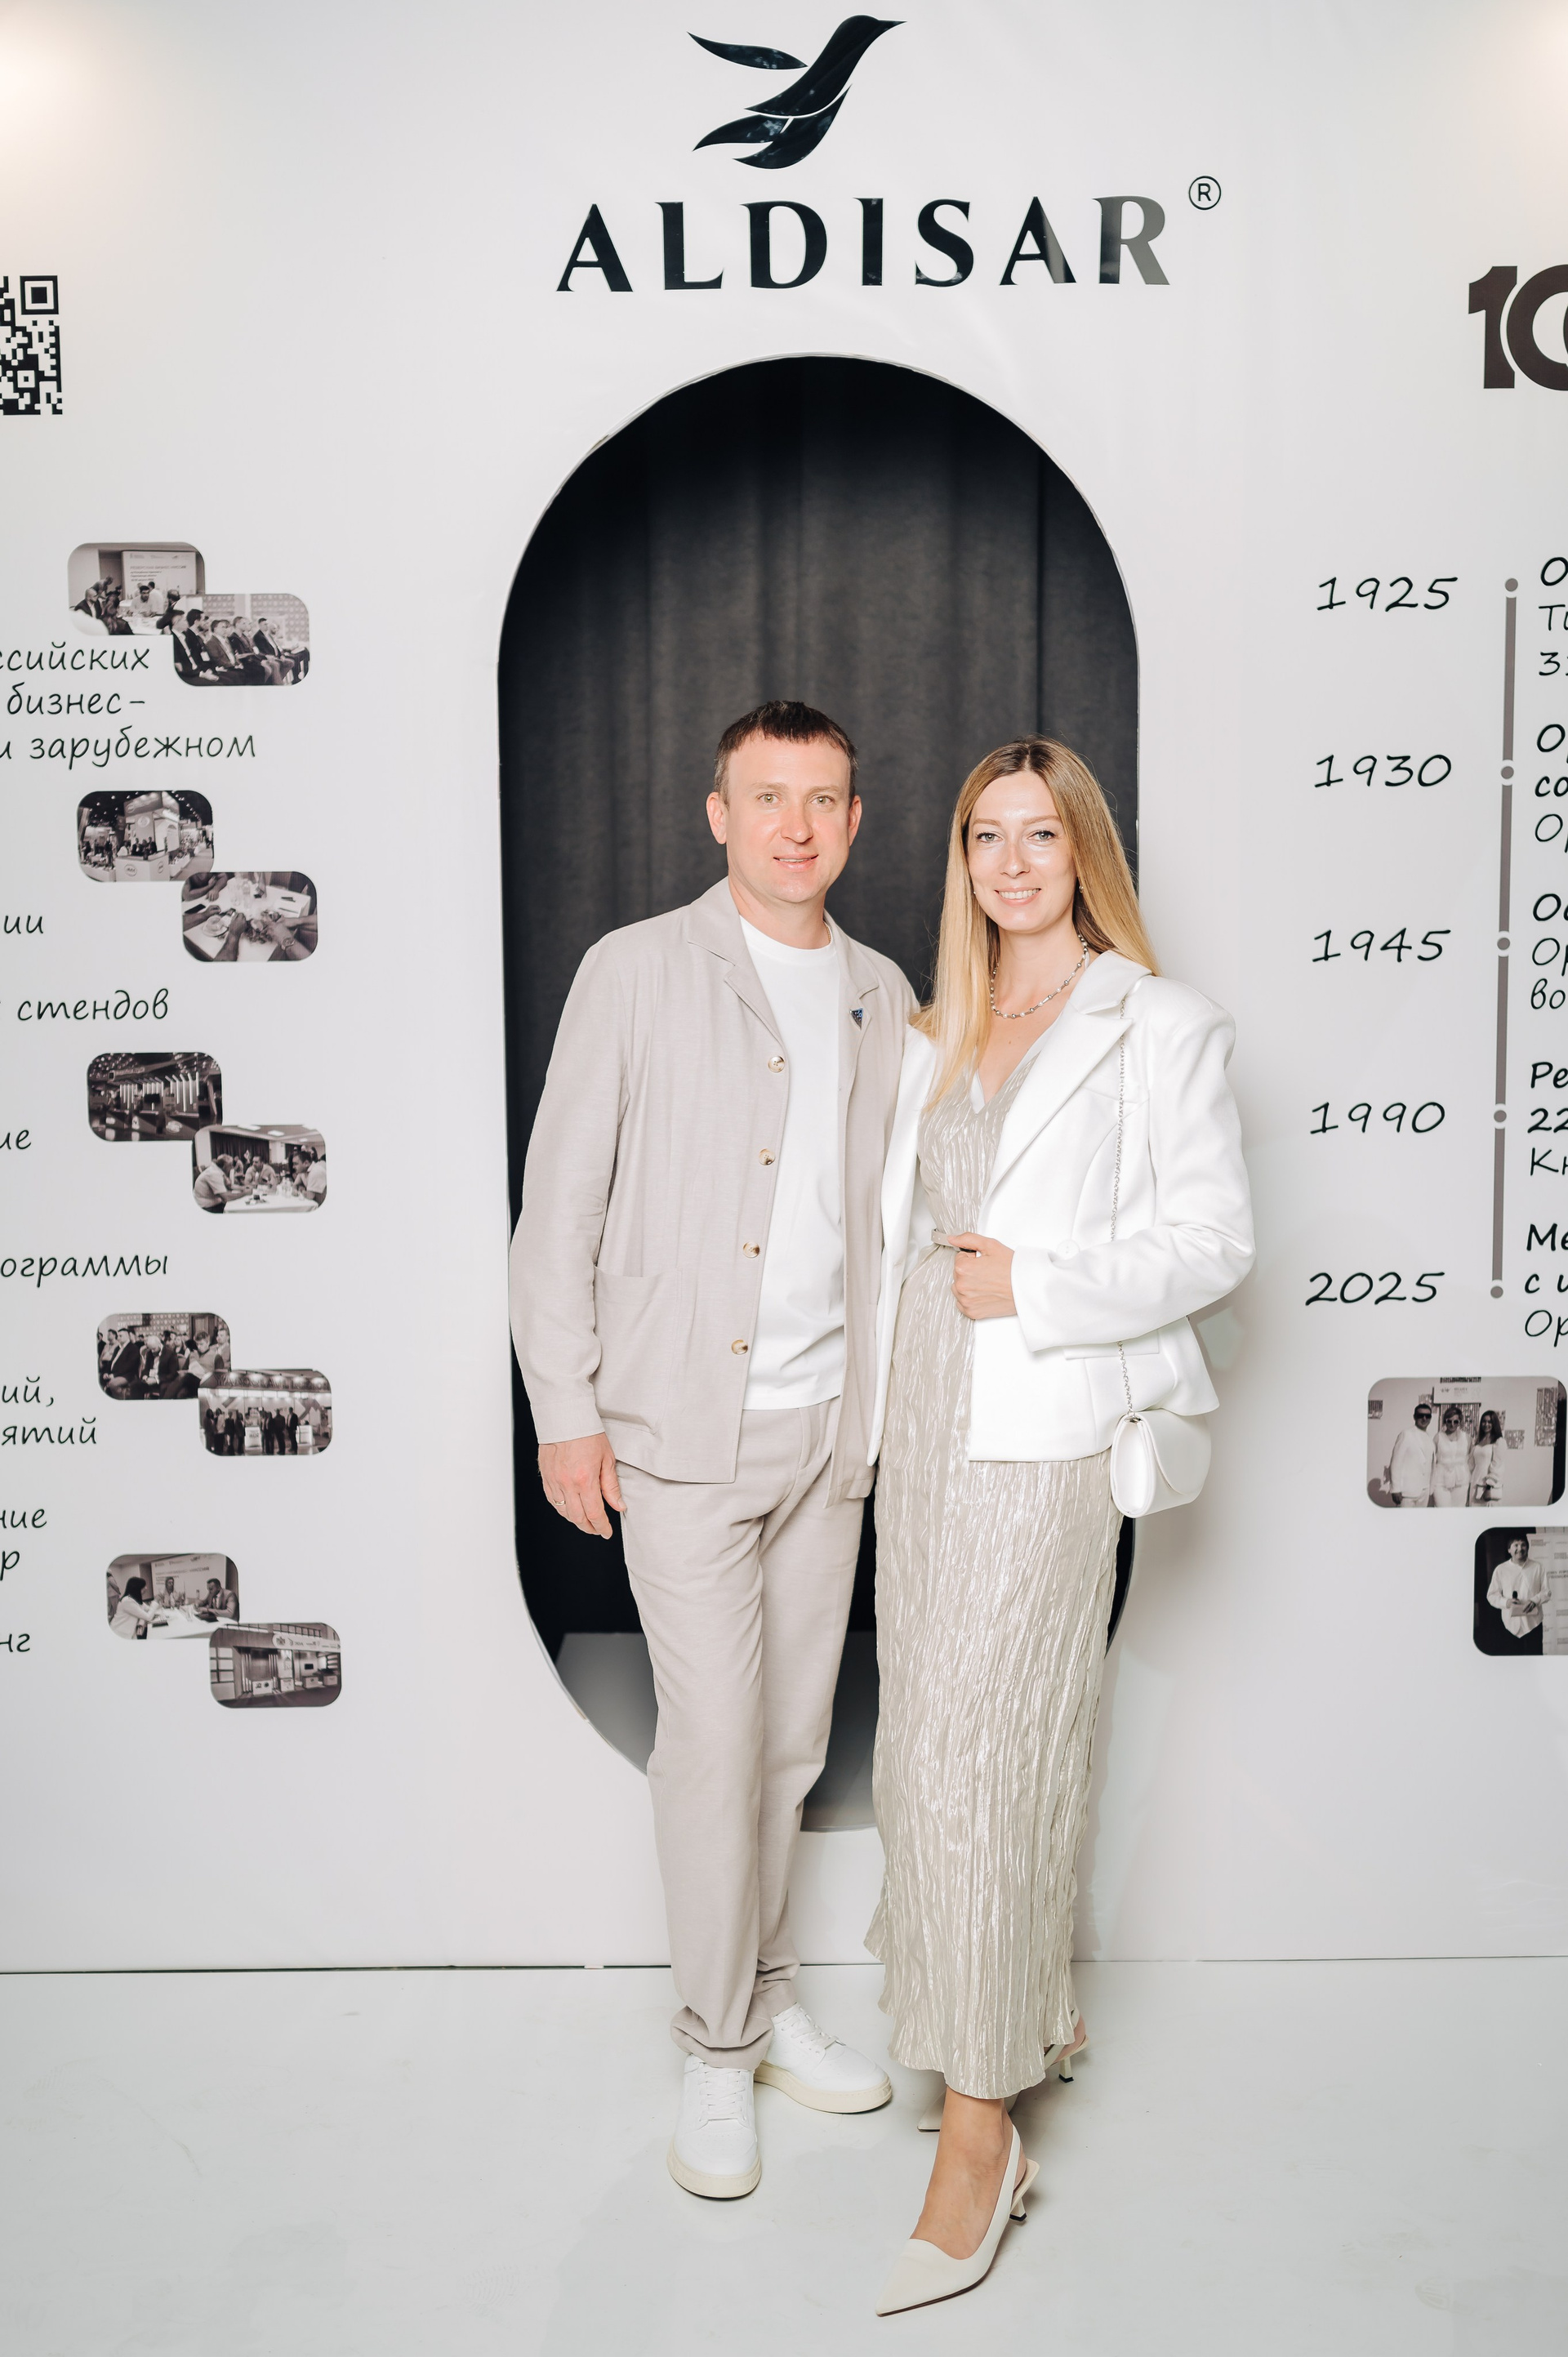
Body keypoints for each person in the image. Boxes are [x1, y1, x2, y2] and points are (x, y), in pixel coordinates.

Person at [866, 737, 1254, 2315]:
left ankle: (983, 2138)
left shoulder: (1160, 1025)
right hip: (924, 1430)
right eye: (987, 837)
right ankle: (1021, 2015)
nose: (1014, 864)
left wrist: (1038, 1285)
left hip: (1043, 1437)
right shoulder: (940, 1028)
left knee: (985, 1752)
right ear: (962, 860)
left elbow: (1215, 1240)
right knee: (937, 1747)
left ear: (1085, 849)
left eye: (1041, 834)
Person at [511, 700, 915, 2202]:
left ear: (854, 822)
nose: (795, 826)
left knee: (795, 1742)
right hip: (681, 1426)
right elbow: (559, 1206)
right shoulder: (634, 969)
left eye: (822, 800)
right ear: (717, 813)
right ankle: (715, 2043)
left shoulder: (881, 990)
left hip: (831, 1427)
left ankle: (771, 1992)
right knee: (714, 1743)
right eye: (767, 797)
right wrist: (566, 1407)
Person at [1487, 1534, 1547, 1642]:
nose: (1520, 1548)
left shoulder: (1538, 1567)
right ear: (1509, 1550)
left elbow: (1546, 1591)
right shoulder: (1501, 1569)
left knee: (1534, 1653)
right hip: (1509, 1626)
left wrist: (1535, 1600)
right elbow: (1492, 1595)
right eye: (1516, 1545)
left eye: (1523, 1545)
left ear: (1527, 1548)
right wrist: (1507, 1602)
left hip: (1533, 1624)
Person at [1387, 1401, 1436, 1506]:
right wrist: (1395, 1489)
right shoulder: (1406, 1434)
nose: (1424, 1419)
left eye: (1427, 1416)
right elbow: (1396, 1462)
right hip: (1407, 1492)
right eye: (1420, 1416)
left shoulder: (1429, 1437)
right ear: (1414, 1417)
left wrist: (1430, 1487)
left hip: (1424, 1491)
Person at [1432, 1406, 1472, 1508]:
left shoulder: (1466, 1438)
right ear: (1445, 1421)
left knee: (1458, 1512)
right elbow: (1432, 1460)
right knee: (1442, 1512)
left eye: (1456, 1421)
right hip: (1441, 1482)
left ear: (1460, 1422)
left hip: (1461, 1482)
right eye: (1449, 1421)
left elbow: (1471, 1460)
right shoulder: (1438, 1437)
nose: (1452, 1424)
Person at [1470, 1408, 1506, 1504]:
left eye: (1490, 1422)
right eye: (1484, 1421)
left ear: (1494, 1424)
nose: (1486, 1424)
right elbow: (1471, 1464)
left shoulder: (1499, 1442)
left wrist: (1489, 1487)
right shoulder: (1477, 1441)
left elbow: (1497, 1466)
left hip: (1487, 1486)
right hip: (1475, 1482)